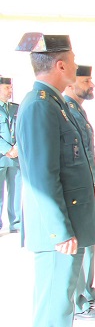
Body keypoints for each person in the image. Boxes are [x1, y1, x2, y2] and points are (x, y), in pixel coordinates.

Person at [15, 32, 95, 327]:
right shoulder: (39, 106)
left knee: (61, 310)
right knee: (51, 314)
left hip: (66, 225)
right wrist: (58, 229)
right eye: (73, 59)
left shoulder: (54, 104)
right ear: (61, 64)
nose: (76, 65)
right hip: (57, 233)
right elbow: (40, 176)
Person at [64, 65, 95, 320]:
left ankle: (88, 292)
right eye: (86, 80)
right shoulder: (66, 110)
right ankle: (80, 301)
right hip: (78, 185)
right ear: (71, 84)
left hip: (84, 183)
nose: (91, 84)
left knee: (89, 242)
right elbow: (79, 151)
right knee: (81, 243)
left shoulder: (76, 110)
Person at [0, 75, 21, 234]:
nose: (10, 90)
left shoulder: (16, 108)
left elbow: (22, 129)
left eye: (10, 87)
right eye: (7, 87)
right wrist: (7, 149)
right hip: (2, 156)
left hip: (15, 158)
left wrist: (17, 148)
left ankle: (16, 222)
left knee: (16, 191)